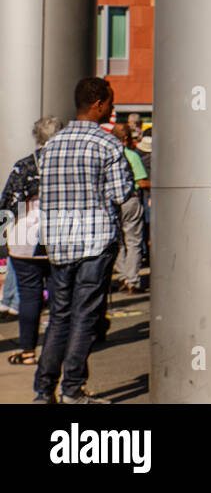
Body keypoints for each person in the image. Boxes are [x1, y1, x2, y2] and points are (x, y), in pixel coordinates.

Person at [33, 78, 133, 404]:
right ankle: (73, 390)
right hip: (95, 240)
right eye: (111, 103)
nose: (113, 109)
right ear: (98, 104)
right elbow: (122, 194)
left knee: (59, 316)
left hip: (59, 242)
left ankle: (44, 390)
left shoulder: (52, 145)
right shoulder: (108, 145)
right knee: (85, 317)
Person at [2, 117, 65, 365]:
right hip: (59, 237)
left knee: (29, 296)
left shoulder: (25, 165)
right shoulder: (66, 165)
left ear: (37, 137)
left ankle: (28, 351)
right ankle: (54, 351)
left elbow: (8, 203)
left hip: (23, 238)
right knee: (60, 297)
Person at [110, 123, 147, 294]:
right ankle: (132, 280)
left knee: (118, 241)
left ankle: (123, 276)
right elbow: (141, 181)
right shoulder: (131, 155)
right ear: (126, 138)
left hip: (111, 201)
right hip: (130, 200)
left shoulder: (106, 154)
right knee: (133, 240)